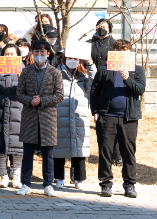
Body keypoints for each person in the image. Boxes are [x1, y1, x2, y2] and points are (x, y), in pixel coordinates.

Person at [90, 39, 145, 198]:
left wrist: (127, 78)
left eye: (125, 51)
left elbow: (140, 90)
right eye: (119, 51)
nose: (122, 54)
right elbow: (94, 92)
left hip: (129, 118)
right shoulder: (104, 70)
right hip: (107, 116)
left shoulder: (138, 70)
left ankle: (130, 184)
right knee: (105, 151)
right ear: (113, 53)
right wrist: (95, 111)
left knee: (129, 152)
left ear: (130, 53)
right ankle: (106, 184)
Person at [15, 40, 63, 197]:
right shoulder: (26, 71)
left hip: (48, 117)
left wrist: (41, 100)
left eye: (42, 52)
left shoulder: (55, 72)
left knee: (48, 153)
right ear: (32, 53)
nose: (39, 55)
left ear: (48, 54)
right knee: (27, 152)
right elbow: (19, 93)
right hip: (29, 116)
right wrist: (30, 100)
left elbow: (59, 95)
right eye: (36, 52)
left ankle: (48, 184)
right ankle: (25, 183)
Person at [54, 54, 94, 190]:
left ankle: (79, 178)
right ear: (64, 59)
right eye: (69, 58)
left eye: (76, 58)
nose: (72, 61)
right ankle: (59, 177)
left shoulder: (83, 76)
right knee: (59, 148)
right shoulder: (56, 74)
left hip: (79, 116)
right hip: (60, 115)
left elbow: (94, 84)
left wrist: (91, 66)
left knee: (79, 149)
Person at [0, 44, 24, 188]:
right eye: (7, 54)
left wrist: (21, 78)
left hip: (19, 115)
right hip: (0, 114)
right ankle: (3, 176)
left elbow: (30, 91)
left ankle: (16, 177)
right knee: (0, 147)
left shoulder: (24, 71)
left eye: (13, 54)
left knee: (18, 148)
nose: (9, 57)